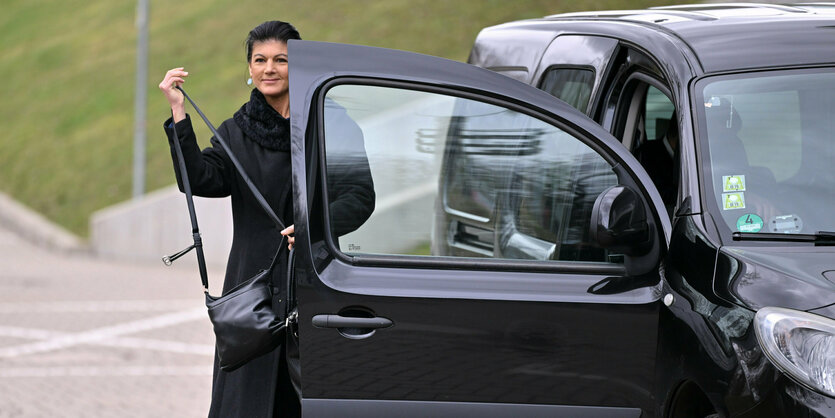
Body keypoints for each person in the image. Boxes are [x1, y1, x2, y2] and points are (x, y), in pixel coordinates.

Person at [159, 21, 303, 418]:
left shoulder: (326, 124)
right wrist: (178, 113)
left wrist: (312, 228)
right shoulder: (237, 132)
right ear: (250, 68)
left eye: (281, 60)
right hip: (252, 292)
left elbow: (359, 195)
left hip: (314, 282)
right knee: (247, 403)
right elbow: (203, 179)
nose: (269, 69)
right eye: (260, 60)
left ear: (300, 66)